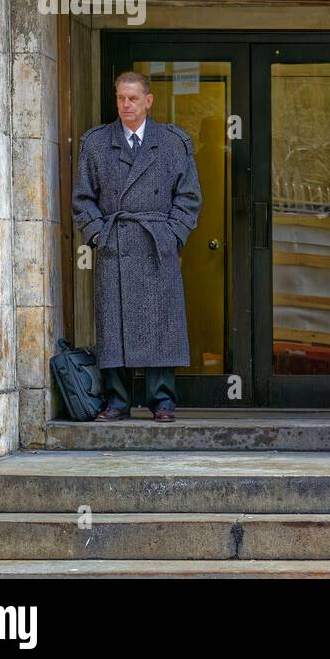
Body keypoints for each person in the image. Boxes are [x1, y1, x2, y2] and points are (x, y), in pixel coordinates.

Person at [71, 71, 202, 422]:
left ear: (148, 100)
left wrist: (173, 234)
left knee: (161, 323)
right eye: (120, 99)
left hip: (157, 244)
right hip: (117, 245)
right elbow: (83, 199)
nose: (126, 105)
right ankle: (117, 400)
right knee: (113, 326)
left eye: (132, 98)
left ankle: (162, 400)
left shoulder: (173, 143)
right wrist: (99, 235)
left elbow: (189, 197)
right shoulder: (97, 143)